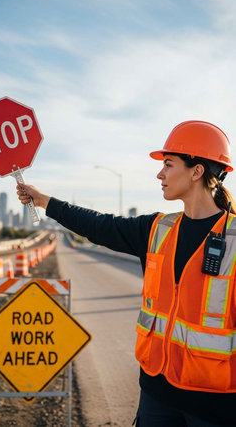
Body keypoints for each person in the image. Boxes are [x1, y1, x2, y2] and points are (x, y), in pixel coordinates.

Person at [17, 120, 236, 427]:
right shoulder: (158, 229)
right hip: (156, 395)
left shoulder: (234, 240)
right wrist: (43, 201)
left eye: (169, 165)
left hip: (216, 406)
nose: (160, 174)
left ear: (197, 171)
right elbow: (99, 225)